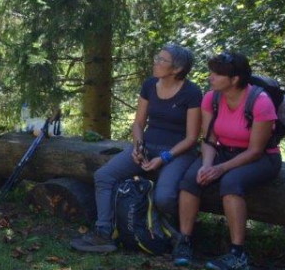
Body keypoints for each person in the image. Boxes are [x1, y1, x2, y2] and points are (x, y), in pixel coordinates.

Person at [71, 44, 201, 253]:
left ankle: (171, 234)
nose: (155, 62)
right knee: (104, 175)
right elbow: (139, 123)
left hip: (178, 152)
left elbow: (192, 138)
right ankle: (103, 232)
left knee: (164, 197)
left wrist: (165, 158)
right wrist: (138, 147)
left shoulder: (192, 92)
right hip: (148, 146)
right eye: (157, 57)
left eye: (162, 60)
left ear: (176, 69)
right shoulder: (150, 85)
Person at [173, 52, 283, 270]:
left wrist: (220, 169)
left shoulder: (260, 102)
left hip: (262, 158)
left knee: (231, 183)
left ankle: (237, 253)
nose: (210, 77)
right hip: (222, 152)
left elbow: (255, 151)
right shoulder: (211, 98)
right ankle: (185, 241)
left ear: (234, 79)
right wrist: (206, 165)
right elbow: (210, 140)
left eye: (217, 74)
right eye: (211, 72)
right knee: (190, 179)